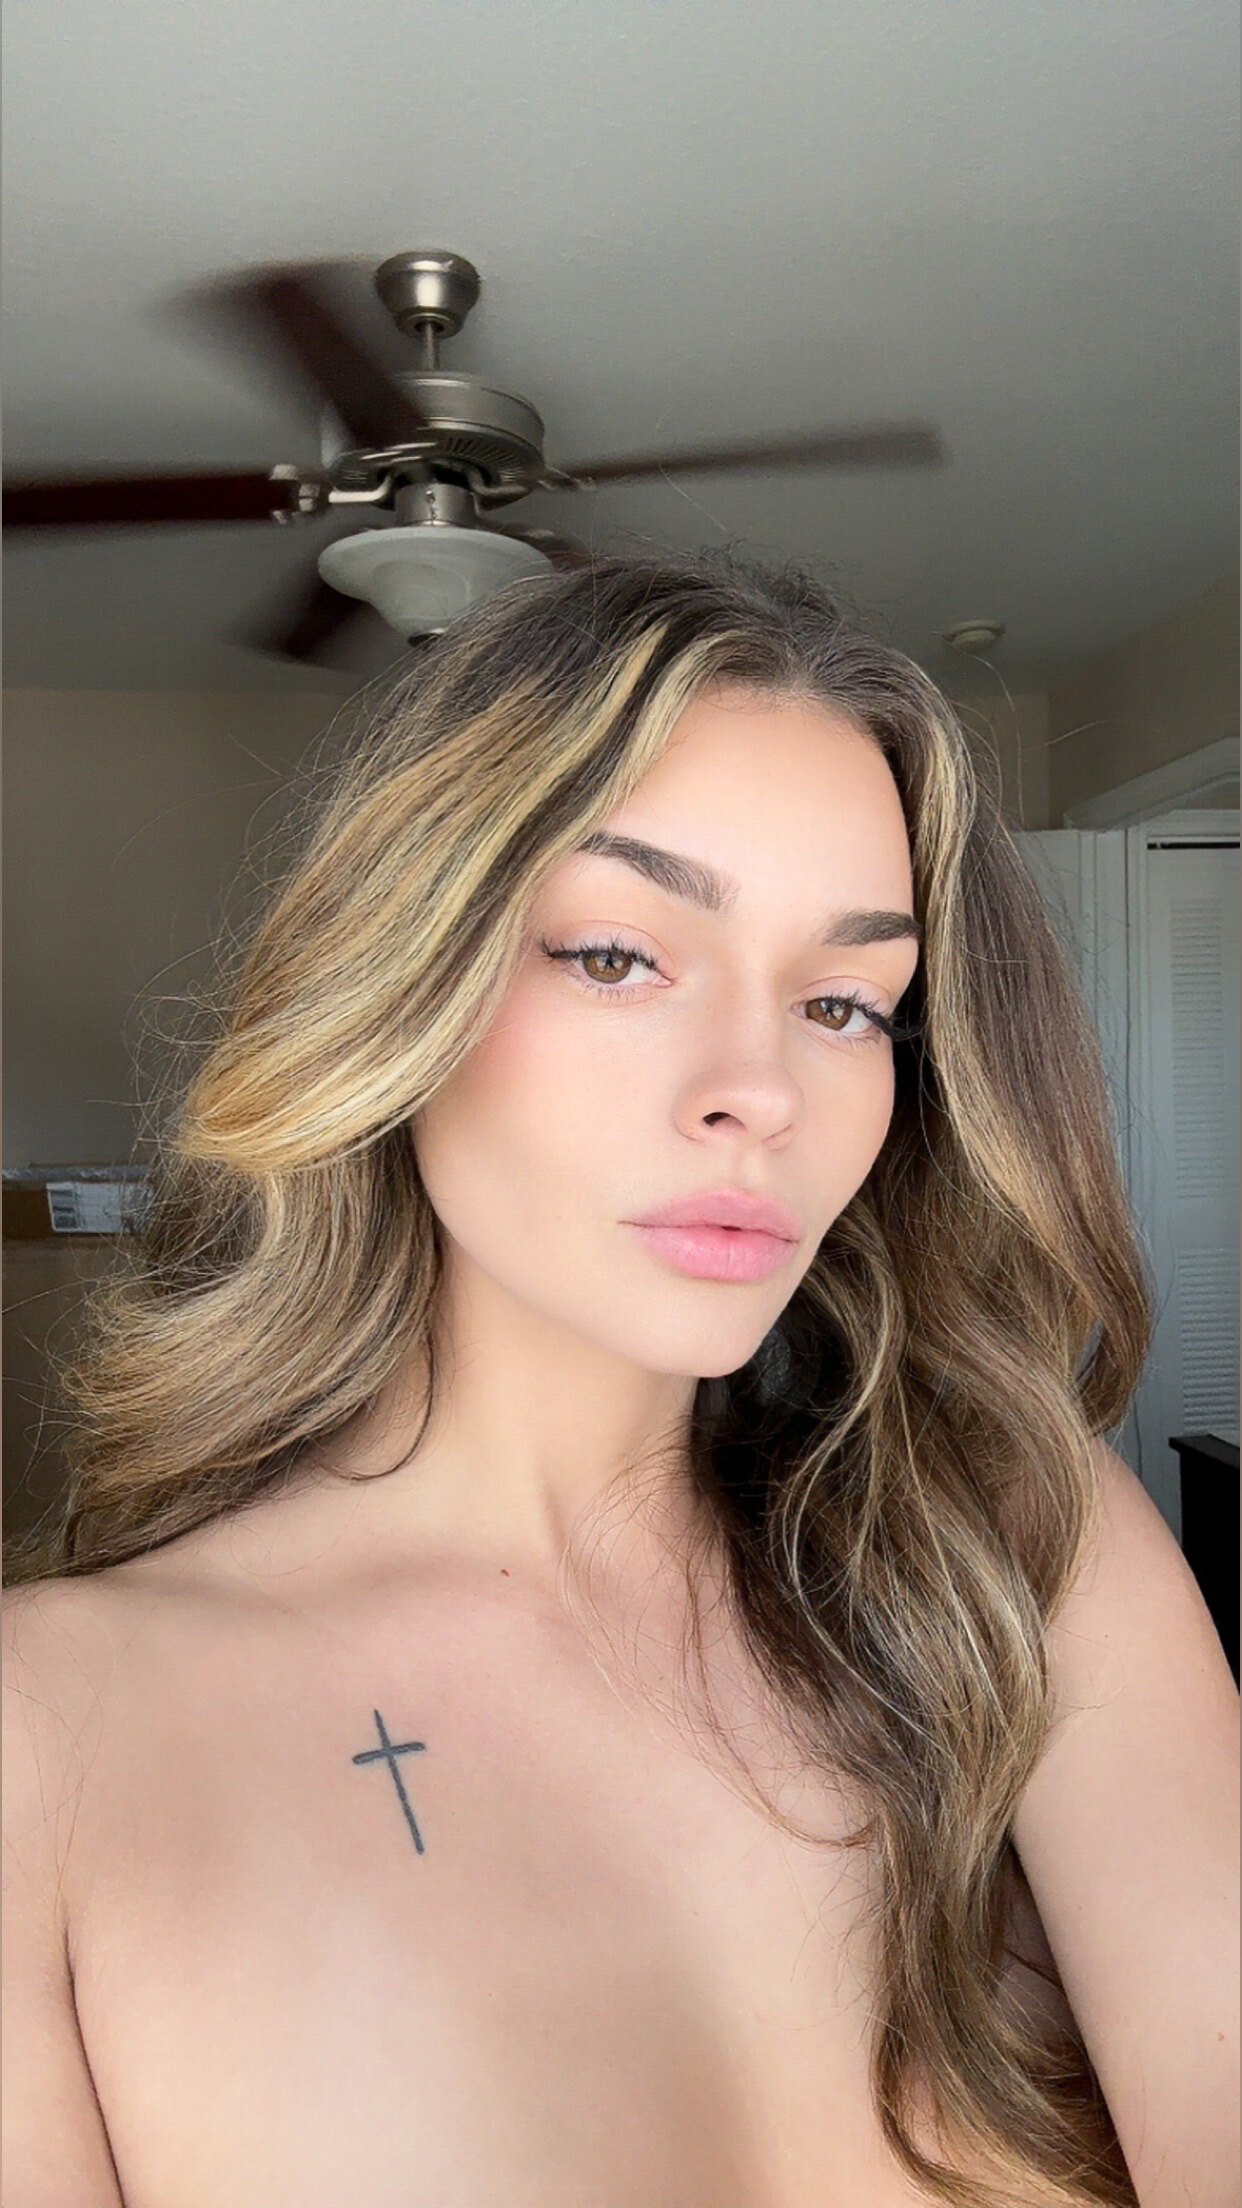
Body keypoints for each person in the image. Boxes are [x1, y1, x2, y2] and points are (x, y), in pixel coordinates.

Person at [3, 548, 1237, 2208]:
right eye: (614, 956)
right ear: (399, 981)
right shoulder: (50, 1737)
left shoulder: (1013, 1544)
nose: (759, 1089)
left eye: (844, 1002)